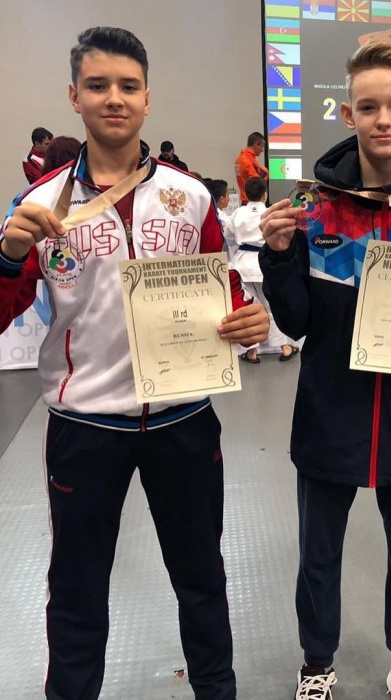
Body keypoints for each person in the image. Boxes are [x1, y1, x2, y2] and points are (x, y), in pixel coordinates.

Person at [0, 26, 269, 700]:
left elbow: (224, 292)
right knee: (77, 587)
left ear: (147, 98)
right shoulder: (38, 206)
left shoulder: (191, 196)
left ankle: (216, 690)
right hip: (85, 426)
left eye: (128, 86)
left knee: (202, 576)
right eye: (97, 86)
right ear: (75, 97)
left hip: (184, 420)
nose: (113, 98)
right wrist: (6, 257)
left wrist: (248, 320)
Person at [259, 40, 391, 700]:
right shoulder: (313, 208)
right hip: (328, 415)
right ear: (348, 113)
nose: (384, 119)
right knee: (319, 556)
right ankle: (316, 664)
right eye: (369, 106)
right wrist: (278, 256)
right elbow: (296, 321)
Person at [226, 176, 299, 363]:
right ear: (265, 195)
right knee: (272, 305)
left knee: (248, 308)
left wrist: (237, 251)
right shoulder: (270, 213)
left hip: (241, 264)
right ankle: (285, 347)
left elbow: (228, 237)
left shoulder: (237, 213)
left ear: (245, 194)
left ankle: (252, 351)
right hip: (263, 262)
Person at [235, 132, 269, 202]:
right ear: (256, 144)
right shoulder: (249, 160)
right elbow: (258, 182)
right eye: (262, 146)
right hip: (251, 201)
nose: (262, 150)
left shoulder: (239, 159)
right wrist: (266, 172)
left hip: (245, 200)